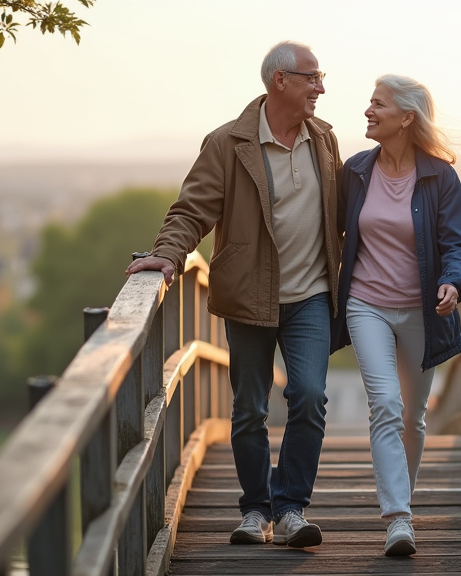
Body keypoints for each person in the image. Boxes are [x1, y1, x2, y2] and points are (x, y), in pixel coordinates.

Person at [125, 41, 342, 548]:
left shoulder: (325, 139)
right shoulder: (228, 143)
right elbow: (192, 209)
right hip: (250, 294)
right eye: (312, 78)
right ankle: (254, 510)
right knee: (250, 407)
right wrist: (168, 254)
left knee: (309, 395)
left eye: (320, 77)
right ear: (279, 82)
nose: (321, 87)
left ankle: (290, 507)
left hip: (310, 294)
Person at [330, 74, 461, 556]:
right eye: (370, 104)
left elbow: (459, 243)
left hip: (422, 311)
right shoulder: (355, 171)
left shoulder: (439, 176)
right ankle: (398, 519)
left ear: (406, 118)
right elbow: (325, 234)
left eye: (379, 105)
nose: (368, 112)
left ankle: (401, 502)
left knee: (413, 416)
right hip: (366, 303)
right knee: (386, 405)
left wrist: (454, 283)